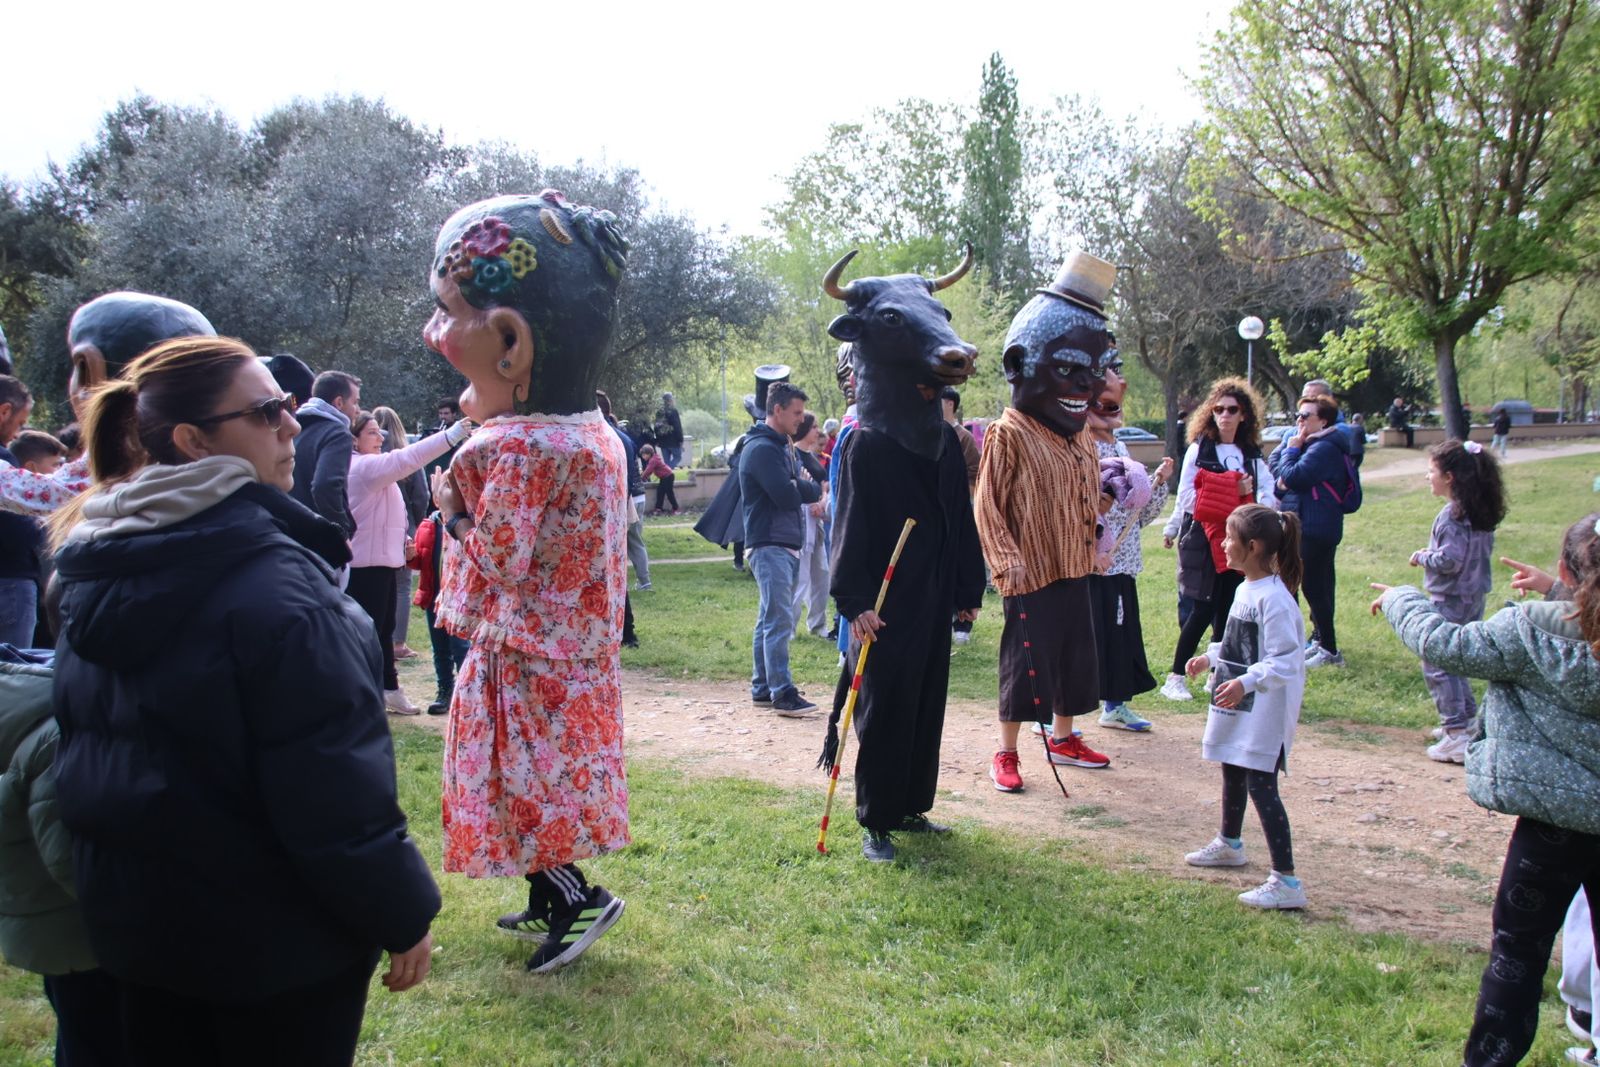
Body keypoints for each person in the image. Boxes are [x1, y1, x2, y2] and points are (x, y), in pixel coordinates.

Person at [51, 336, 440, 1063]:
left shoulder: (91, 563)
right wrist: (404, 911)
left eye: (287, 406)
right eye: (266, 412)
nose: (292, 425)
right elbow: (331, 795)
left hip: (141, 935)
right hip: (273, 956)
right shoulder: (276, 592)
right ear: (193, 440)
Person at [425, 192, 631, 974]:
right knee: (538, 772)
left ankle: (577, 898)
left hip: (527, 647)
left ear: (510, 343)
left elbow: (502, 557)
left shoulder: (520, 445)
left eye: (447, 314)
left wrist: (451, 513)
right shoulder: (592, 433)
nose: (433, 333)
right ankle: (548, 896)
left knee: (521, 774)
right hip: (573, 642)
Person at [1372, 514, 1600, 1067]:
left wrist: (1403, 597)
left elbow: (1444, 643)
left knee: (1517, 953)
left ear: (1569, 567)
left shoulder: (1529, 630)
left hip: (1554, 828)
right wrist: (1564, 592)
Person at [975, 251, 1114, 793]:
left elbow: (1082, 497)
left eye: (1093, 371)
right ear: (1018, 365)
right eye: (1067, 369)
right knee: (1026, 662)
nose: (1085, 386)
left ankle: (1064, 736)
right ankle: (1006, 751)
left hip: (1074, 565)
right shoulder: (1007, 433)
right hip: (1029, 572)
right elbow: (987, 505)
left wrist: (1101, 521)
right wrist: (1006, 562)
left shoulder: (1079, 435)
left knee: (1075, 658)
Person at [1183, 504, 1308, 910]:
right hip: (1239, 702)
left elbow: (1286, 658)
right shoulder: (1244, 589)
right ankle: (1230, 844)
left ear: (1252, 546)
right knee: (1232, 769)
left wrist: (1246, 681)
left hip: (1264, 712)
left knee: (1261, 785)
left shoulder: (1276, 599)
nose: (1222, 542)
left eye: (1229, 537)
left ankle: (1286, 882)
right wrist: (1212, 658)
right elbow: (1240, 641)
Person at [0, 648, 121, 1067]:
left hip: (53, 933)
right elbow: (76, 865)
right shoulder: (54, 730)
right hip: (86, 939)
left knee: (82, 1033)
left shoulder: (23, 705)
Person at [347, 409, 471, 715]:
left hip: (382, 561)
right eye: (372, 433)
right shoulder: (362, 466)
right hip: (366, 565)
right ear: (353, 440)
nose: (380, 438)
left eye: (380, 432)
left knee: (384, 628)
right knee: (371, 631)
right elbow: (407, 459)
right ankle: (370, 691)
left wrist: (401, 539)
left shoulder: (370, 467)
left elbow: (383, 511)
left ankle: (387, 689)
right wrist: (450, 436)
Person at [1160, 378, 1277, 701]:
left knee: (1229, 609)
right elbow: (1187, 497)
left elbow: (1268, 495)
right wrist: (1234, 491)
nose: (1224, 415)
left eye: (1232, 410)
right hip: (1204, 540)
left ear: (1244, 415)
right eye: (1218, 409)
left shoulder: (1251, 452)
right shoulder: (1200, 448)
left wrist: (1247, 503)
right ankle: (1176, 676)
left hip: (1240, 543)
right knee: (1201, 607)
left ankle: (1218, 672)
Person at [1086, 360, 1173, 732]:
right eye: (1101, 406)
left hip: (1122, 561)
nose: (1109, 414)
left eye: (1114, 407)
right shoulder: (1075, 447)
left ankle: (1115, 705)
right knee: (1083, 637)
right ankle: (1055, 715)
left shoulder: (1121, 446)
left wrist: (1159, 483)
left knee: (1119, 634)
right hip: (1088, 560)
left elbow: (1141, 511)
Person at [1409, 440, 1506, 763]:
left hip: (1450, 597)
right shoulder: (1479, 509)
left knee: (1437, 661)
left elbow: (1450, 560)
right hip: (1474, 594)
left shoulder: (1452, 516)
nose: (1428, 477)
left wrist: (1424, 557)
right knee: (1457, 659)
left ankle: (1455, 733)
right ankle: (1465, 722)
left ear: (1449, 477)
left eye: (1431, 471)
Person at [740, 382, 822, 716]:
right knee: (779, 619)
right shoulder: (762, 449)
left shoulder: (778, 446)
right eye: (797, 413)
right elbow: (788, 494)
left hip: (779, 542)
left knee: (769, 618)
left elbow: (804, 485)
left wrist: (799, 483)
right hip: (770, 543)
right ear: (778, 410)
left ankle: (763, 687)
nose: (801, 420)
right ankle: (781, 691)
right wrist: (802, 485)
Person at [1269, 393, 1356, 669]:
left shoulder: (1325, 447)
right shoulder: (1309, 443)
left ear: (1324, 420)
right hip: (1303, 520)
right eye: (1298, 415)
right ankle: (1318, 643)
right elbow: (1275, 468)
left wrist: (1292, 451)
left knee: (1314, 586)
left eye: (1306, 416)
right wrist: (1289, 457)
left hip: (1316, 526)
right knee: (1307, 584)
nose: (1300, 421)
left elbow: (1293, 476)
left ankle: (1329, 647)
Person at [374, 406, 429, 663]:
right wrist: (416, 524)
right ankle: (398, 642)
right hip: (404, 528)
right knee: (402, 587)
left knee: (377, 583)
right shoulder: (406, 457)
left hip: (373, 528)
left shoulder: (368, 455)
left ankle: (376, 640)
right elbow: (421, 495)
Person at [406, 509, 467, 715]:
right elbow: (419, 561)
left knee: (461, 647)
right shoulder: (429, 524)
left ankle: (466, 692)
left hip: (457, 601)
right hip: (434, 597)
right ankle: (445, 691)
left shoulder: (465, 523)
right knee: (440, 649)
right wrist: (411, 556)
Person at [290, 370, 362, 538]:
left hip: (289, 531)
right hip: (318, 538)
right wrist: (341, 531)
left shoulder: (294, 429)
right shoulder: (337, 433)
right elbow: (325, 485)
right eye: (355, 402)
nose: (358, 410)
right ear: (339, 402)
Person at [0, 376, 41, 647]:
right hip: (9, 582)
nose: (17, 434)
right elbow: (16, 531)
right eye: (20, 423)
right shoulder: (3, 461)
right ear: (4, 411)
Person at [790, 412, 830, 639]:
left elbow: (824, 488)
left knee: (822, 574)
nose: (817, 431)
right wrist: (814, 500)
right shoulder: (793, 455)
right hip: (803, 522)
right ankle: (789, 627)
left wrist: (822, 502)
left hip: (818, 523)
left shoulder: (814, 458)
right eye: (813, 426)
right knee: (801, 577)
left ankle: (817, 623)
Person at [640, 443, 678, 515]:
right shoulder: (653, 459)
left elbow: (648, 470)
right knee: (660, 492)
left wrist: (642, 478)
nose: (643, 457)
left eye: (644, 455)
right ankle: (658, 508)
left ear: (649, 454)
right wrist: (643, 476)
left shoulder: (653, 460)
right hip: (664, 477)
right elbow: (648, 470)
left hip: (668, 476)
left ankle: (676, 508)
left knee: (669, 493)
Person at [655, 392, 685, 469]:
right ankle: (667, 470)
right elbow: (677, 426)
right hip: (673, 441)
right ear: (670, 400)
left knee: (666, 461)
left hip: (663, 442)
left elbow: (656, 427)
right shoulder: (673, 411)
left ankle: (666, 475)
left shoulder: (659, 412)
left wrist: (658, 440)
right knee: (678, 457)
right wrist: (680, 439)